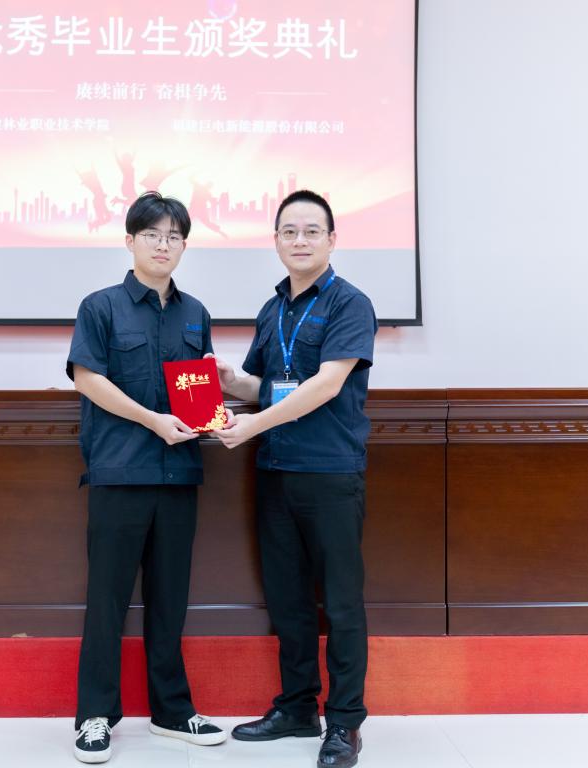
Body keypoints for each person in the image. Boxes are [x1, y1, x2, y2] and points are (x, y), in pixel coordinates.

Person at [211, 189, 377, 768]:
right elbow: (266, 387)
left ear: (332, 239)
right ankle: (298, 707)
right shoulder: (272, 308)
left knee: (341, 604)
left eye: (311, 231)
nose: (299, 241)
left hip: (330, 473)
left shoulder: (350, 304)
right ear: (276, 240)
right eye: (289, 231)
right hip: (276, 471)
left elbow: (327, 385)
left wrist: (253, 424)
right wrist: (229, 381)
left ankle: (345, 722)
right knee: (288, 601)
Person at [67, 191, 227, 763]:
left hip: (179, 473)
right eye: (153, 235)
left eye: (174, 236)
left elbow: (200, 385)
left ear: (184, 245)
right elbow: (88, 379)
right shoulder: (101, 307)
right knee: (107, 599)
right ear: (130, 241)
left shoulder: (196, 313)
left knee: (170, 599)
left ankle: (173, 711)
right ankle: (94, 715)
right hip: (119, 472)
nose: (164, 245)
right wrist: (153, 421)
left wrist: (214, 413)